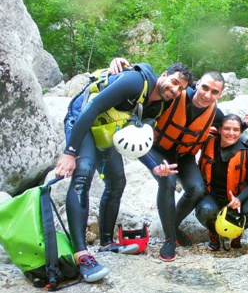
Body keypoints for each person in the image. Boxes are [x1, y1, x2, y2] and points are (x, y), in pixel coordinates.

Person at [55, 61, 193, 281]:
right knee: (84, 173)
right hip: (82, 119)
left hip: (107, 129)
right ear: (164, 74)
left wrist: (155, 167)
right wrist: (70, 152)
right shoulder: (135, 81)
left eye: (181, 88)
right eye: (174, 82)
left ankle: (107, 244)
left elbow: (137, 139)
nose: (175, 89)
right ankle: (81, 254)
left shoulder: (157, 106)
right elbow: (91, 108)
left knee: (117, 181)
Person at [108, 58, 248, 262]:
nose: (207, 95)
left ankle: (171, 226)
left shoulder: (215, 113)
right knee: (167, 181)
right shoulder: (174, 96)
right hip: (157, 149)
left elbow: (229, 131)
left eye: (214, 92)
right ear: (197, 85)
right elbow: (149, 89)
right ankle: (169, 239)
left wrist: (244, 125)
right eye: (204, 88)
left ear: (220, 95)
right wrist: (122, 69)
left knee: (196, 189)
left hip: (184, 155)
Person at [194, 114, 248, 250]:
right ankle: (214, 232)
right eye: (227, 129)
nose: (231, 133)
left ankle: (236, 230)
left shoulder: (244, 153)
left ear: (240, 131)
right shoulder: (208, 143)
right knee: (205, 210)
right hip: (212, 197)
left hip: (235, 200)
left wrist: (239, 199)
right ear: (219, 130)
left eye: (236, 130)